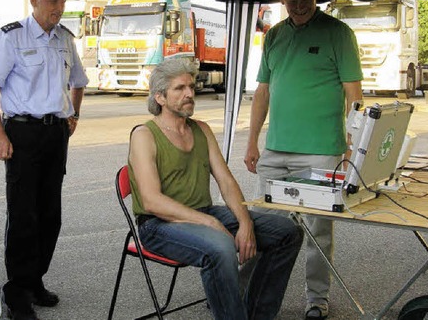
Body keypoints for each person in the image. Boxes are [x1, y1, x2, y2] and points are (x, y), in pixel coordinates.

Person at [128, 58, 303, 320]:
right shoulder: (145, 135)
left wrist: (245, 223)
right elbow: (152, 201)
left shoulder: (201, 130)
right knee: (220, 248)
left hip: (202, 212)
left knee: (287, 232)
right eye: (179, 89)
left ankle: (256, 315)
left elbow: (226, 180)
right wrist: (208, 221)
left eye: (190, 86)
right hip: (158, 225)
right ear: (160, 97)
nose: (189, 93)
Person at [243, 0, 363, 320]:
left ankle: (316, 298)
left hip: (321, 149)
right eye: (291, 1)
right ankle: (245, 288)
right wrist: (252, 141)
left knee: (317, 230)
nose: (298, 7)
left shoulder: (339, 33)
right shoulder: (274, 36)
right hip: (276, 149)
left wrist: (353, 144)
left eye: (305, 0)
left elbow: (353, 92)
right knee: (258, 224)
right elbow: (262, 92)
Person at [0, 0, 88, 320]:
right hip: (22, 134)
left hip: (55, 134)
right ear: (35, 0)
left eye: (63, 1)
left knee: (50, 215)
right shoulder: (11, 37)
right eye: (54, 0)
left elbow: (79, 81)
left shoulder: (65, 39)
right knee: (23, 214)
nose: (59, 7)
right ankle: (17, 293)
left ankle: (35, 280)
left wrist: (73, 116)